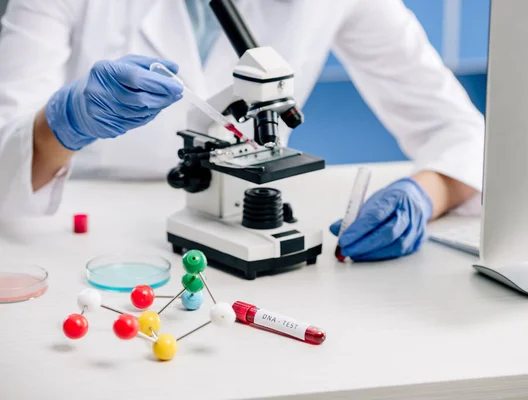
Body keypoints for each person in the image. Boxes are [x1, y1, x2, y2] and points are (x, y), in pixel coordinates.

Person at [0, 0, 484, 261]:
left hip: (240, 206)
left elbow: (461, 130)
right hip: (80, 234)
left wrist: (429, 192)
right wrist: (62, 126)